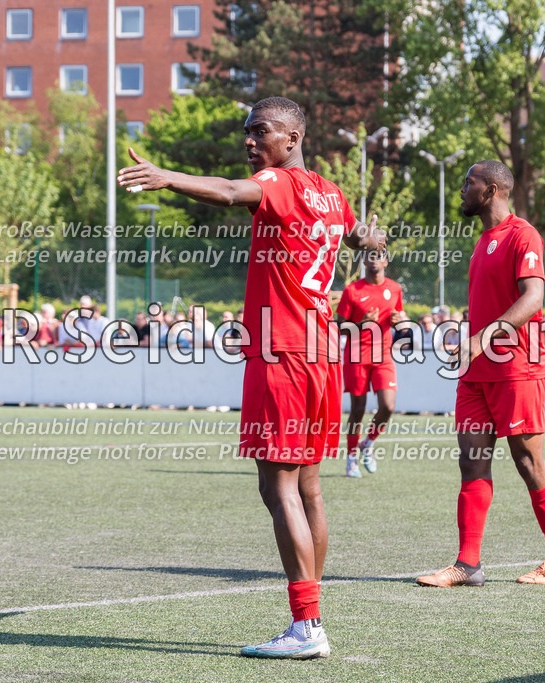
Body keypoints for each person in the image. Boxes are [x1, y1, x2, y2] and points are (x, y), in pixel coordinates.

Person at [118, 96, 385, 659]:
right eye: (248, 131)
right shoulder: (331, 192)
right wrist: (369, 239)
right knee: (308, 489)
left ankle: (307, 626)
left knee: (278, 488)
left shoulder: (278, 183)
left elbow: (228, 191)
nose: (250, 140)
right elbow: (354, 234)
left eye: (261, 131)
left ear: (292, 139)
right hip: (320, 353)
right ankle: (310, 616)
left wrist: (168, 178)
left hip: (282, 351)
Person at [417, 160, 545, 588]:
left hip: (517, 368)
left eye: (469, 182)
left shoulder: (524, 234)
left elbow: (533, 298)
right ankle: (467, 565)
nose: (462, 189)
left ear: (491, 191)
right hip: (476, 371)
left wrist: (483, 337)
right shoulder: (483, 240)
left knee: (527, 461)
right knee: (471, 461)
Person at [335, 250, 403, 477]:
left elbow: (398, 320)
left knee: (388, 406)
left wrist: (398, 322)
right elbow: (339, 327)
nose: (373, 259)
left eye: (378, 256)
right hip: (356, 356)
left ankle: (368, 442)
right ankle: (351, 458)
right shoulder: (352, 290)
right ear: (363, 261)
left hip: (383, 356)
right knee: (358, 410)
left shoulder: (395, 288)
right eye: (369, 256)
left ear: (386, 261)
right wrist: (361, 323)